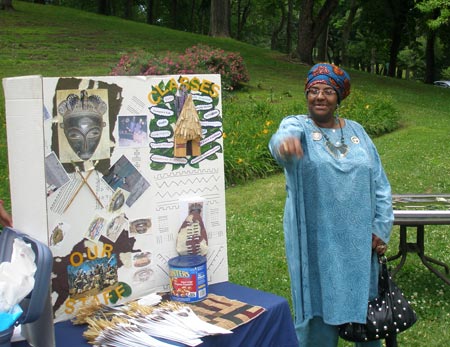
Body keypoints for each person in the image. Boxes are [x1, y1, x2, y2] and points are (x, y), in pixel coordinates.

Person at [268, 63, 394, 347]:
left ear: (339, 97)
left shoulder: (358, 132)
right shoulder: (297, 126)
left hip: (360, 241)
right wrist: (284, 143)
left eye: (328, 91)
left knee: (367, 309)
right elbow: (281, 141)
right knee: (318, 309)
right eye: (313, 91)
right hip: (317, 241)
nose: (320, 97)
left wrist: (381, 227)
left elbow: (380, 183)